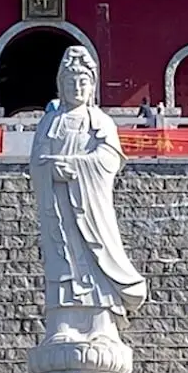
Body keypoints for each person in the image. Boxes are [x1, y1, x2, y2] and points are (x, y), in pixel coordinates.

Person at [28, 47, 147, 348]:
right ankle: (62, 325)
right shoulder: (49, 121)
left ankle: (101, 326)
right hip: (58, 208)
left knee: (94, 260)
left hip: (89, 207)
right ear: (60, 85)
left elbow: (109, 159)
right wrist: (51, 171)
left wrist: (77, 168)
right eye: (70, 83)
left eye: (82, 82)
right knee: (63, 263)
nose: (76, 88)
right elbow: (36, 161)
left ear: (92, 86)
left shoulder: (100, 121)